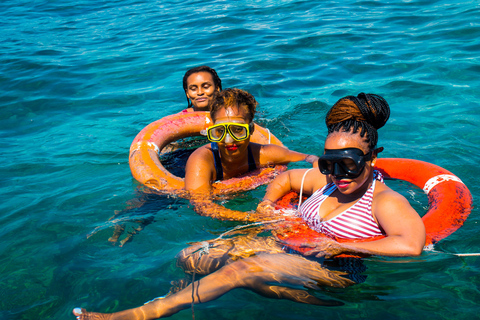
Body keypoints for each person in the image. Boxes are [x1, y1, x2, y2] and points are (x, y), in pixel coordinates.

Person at [73, 93, 426, 320]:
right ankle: (190, 293)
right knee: (191, 254)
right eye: (331, 162)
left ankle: (141, 314)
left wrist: (340, 244)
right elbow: (287, 179)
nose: (340, 173)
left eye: (349, 163)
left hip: (335, 267)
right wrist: (268, 205)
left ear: (372, 158)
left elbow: (411, 244)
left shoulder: (383, 200)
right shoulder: (329, 180)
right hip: (293, 245)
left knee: (241, 271)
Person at [184, 88, 318, 219]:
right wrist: (255, 218)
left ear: (251, 129)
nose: (229, 140)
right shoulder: (202, 160)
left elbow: (308, 158)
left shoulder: (263, 153)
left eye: (237, 130)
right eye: (220, 131)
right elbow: (201, 206)